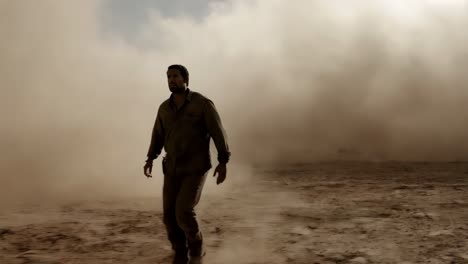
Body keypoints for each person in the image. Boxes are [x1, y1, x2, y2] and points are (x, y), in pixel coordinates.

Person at [144, 64, 231, 264]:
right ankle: (180, 252)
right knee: (169, 215)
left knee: (183, 210)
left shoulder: (202, 104)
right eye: (168, 77)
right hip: (172, 168)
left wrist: (223, 161)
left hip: (196, 167)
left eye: (175, 76)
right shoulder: (164, 108)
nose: (171, 80)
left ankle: (196, 249)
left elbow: (218, 132)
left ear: (186, 79)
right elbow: (157, 135)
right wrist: (150, 158)